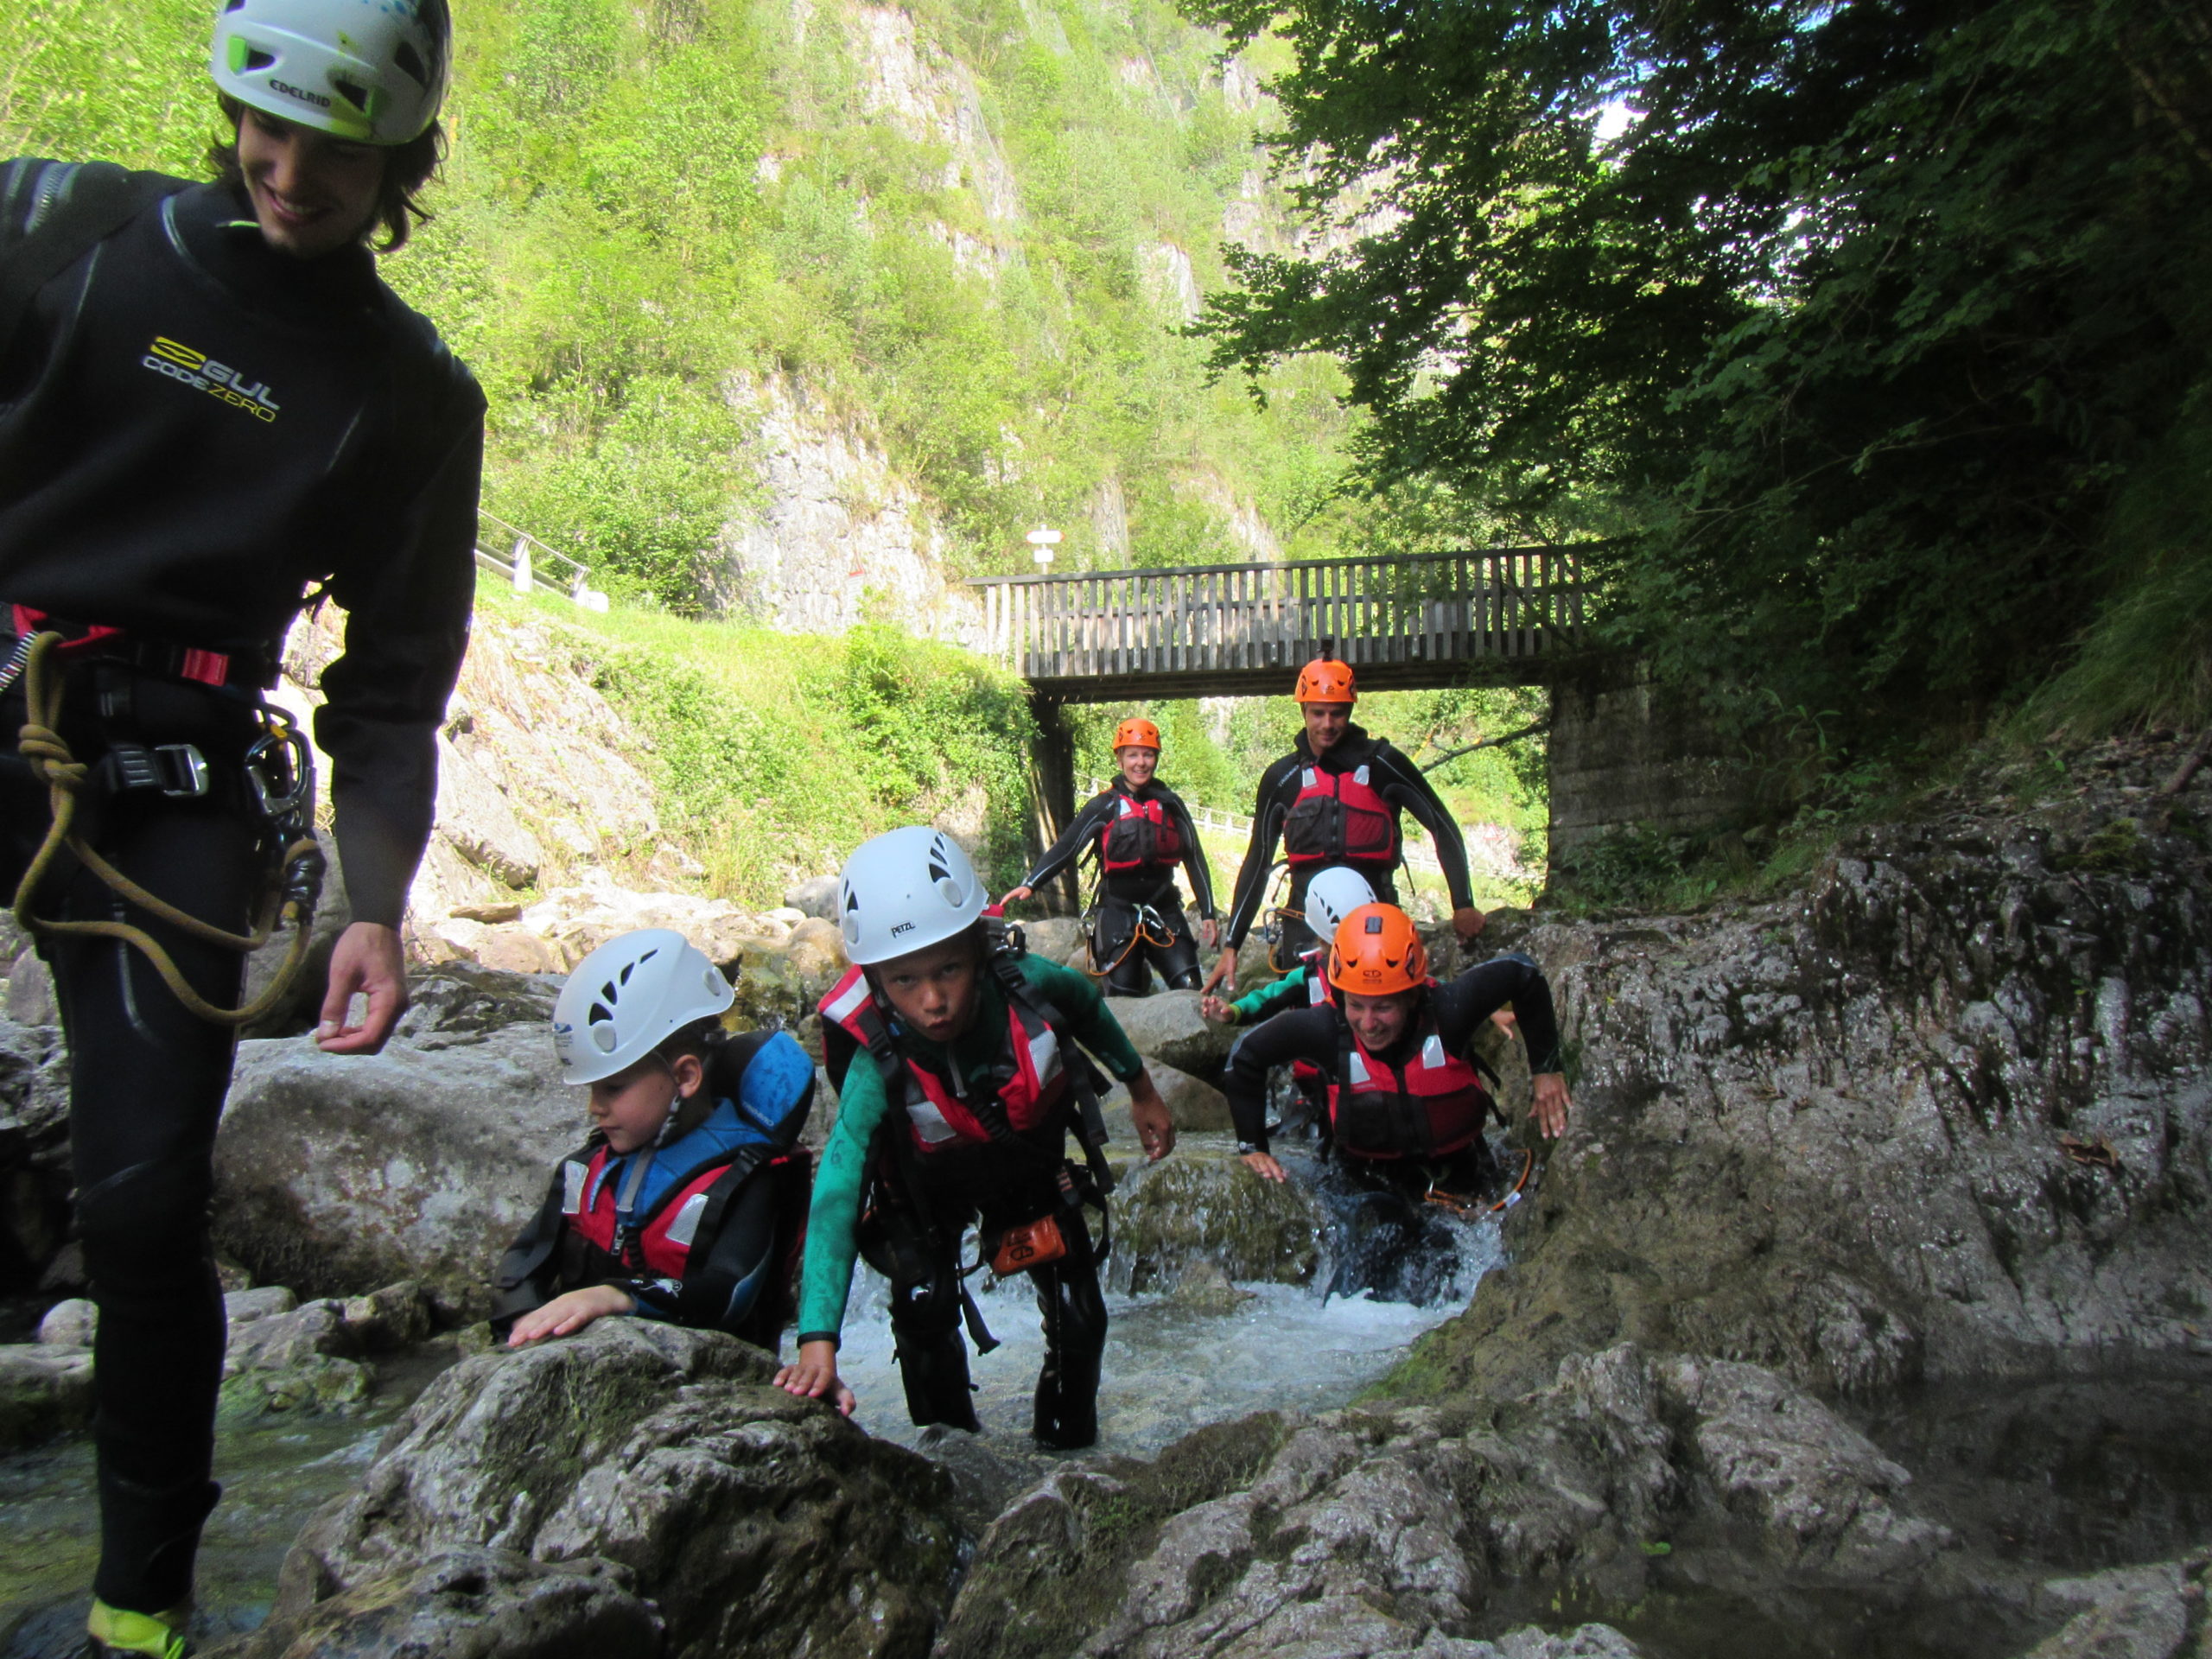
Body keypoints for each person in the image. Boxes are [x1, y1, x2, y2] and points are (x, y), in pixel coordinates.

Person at [0, 4, 480, 1652]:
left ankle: (141, 1612)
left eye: (335, 150)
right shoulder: (65, 226)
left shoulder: (409, 391)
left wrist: (372, 900)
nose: (290, 175)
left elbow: (396, 684)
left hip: (173, 779)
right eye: (266, 133)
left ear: (401, 161)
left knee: (140, 1204)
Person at [773, 826, 1175, 1449]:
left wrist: (1142, 1091)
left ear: (978, 949)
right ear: (875, 979)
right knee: (922, 1299)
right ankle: (952, 1454)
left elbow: (1091, 1011)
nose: (934, 1001)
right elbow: (837, 1185)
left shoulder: (1031, 985)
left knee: (1078, 1314)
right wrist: (817, 1338)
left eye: (950, 969)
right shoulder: (876, 1060)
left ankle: (1065, 1451)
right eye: (904, 981)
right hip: (925, 1186)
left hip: (1025, 1168)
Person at [489, 930, 816, 1352]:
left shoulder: (748, 1179)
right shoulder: (585, 1171)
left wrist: (618, 1296)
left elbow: (729, 1293)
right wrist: (522, 1324)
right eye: (592, 1090)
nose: (594, 1108)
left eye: (612, 1089)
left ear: (684, 1077)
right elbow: (523, 1262)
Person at [1222, 904, 1569, 1300]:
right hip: (1363, 1180)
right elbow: (1244, 1059)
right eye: (1356, 1005)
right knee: (1375, 1257)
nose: (1368, 1023)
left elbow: (1523, 972)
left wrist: (1547, 1070)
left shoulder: (1450, 1012)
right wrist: (1252, 1147)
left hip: (1462, 1172)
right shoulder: (1324, 1029)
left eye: (1383, 1006)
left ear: (1410, 996)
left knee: (1444, 1258)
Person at [1212, 659, 1486, 995]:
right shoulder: (1281, 777)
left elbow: (1442, 825)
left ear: (1351, 709)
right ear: (1303, 711)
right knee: (1312, 1025)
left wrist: (1463, 903)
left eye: (1337, 713)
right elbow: (1258, 860)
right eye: (1318, 713)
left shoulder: (1384, 763)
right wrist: (1232, 945)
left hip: (1376, 921)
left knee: (1377, 1019)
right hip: (1304, 921)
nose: (1327, 724)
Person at [1003, 716, 1217, 996]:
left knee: (1191, 991)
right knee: (1122, 999)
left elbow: (1195, 857)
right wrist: (1031, 883)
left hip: (1164, 910)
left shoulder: (1171, 804)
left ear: (1156, 758)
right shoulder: (1104, 806)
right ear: (1120, 759)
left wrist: (1208, 912)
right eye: (1133, 755)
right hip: (1117, 912)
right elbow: (1067, 847)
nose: (1140, 762)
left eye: (1148, 754)